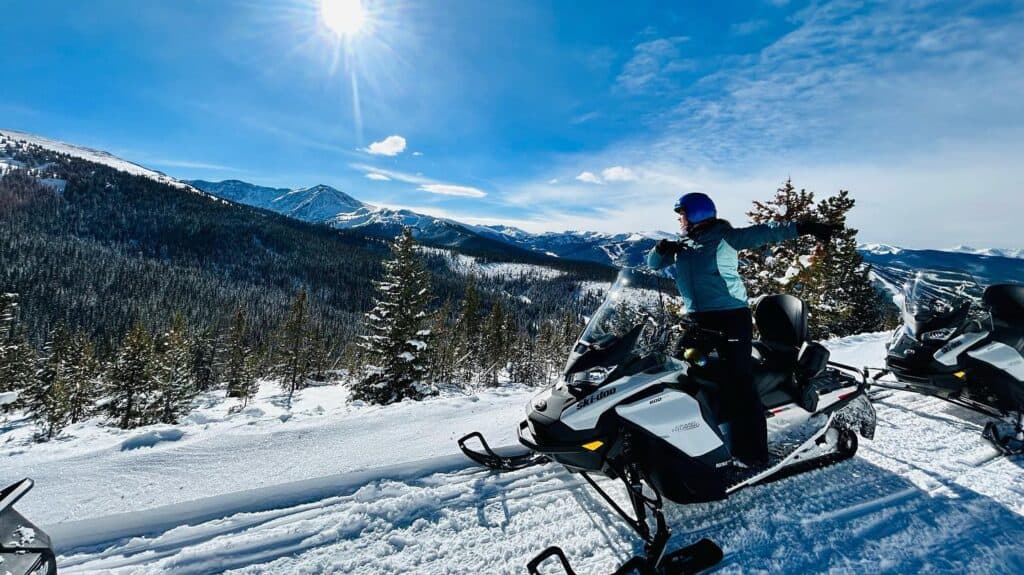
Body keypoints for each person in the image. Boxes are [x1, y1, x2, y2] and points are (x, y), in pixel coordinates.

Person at [647, 192, 836, 466]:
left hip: (730, 319)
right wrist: (660, 250)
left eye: (683, 214)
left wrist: (806, 227)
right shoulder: (685, 245)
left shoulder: (726, 237)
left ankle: (752, 454)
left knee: (739, 383)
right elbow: (653, 264)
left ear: (697, 214)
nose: (679, 219)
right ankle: (690, 438)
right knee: (679, 372)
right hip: (698, 321)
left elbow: (767, 232)